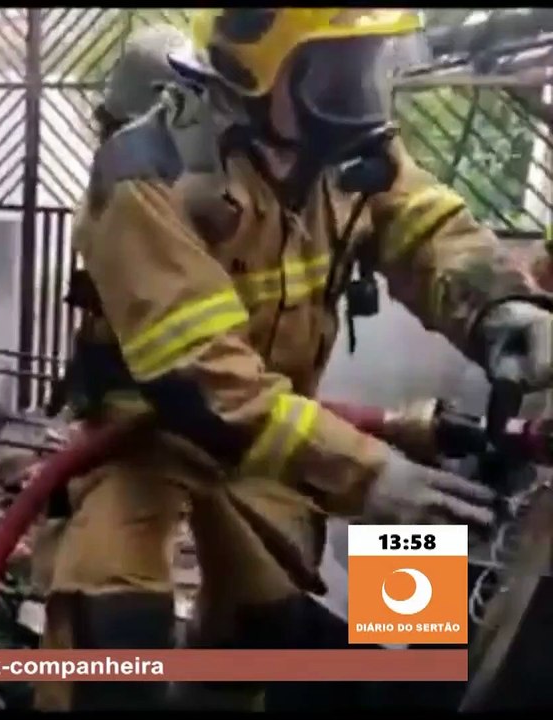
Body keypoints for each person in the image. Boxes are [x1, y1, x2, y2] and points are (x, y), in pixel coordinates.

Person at [39, 8, 553, 711]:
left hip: (278, 441)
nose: (358, 94)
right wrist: (368, 471)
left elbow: (426, 226)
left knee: (265, 619)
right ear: (259, 64)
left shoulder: (341, 152)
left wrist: (502, 310)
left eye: (366, 67)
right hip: (146, 435)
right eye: (336, 72)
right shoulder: (145, 175)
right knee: (114, 628)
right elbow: (203, 378)